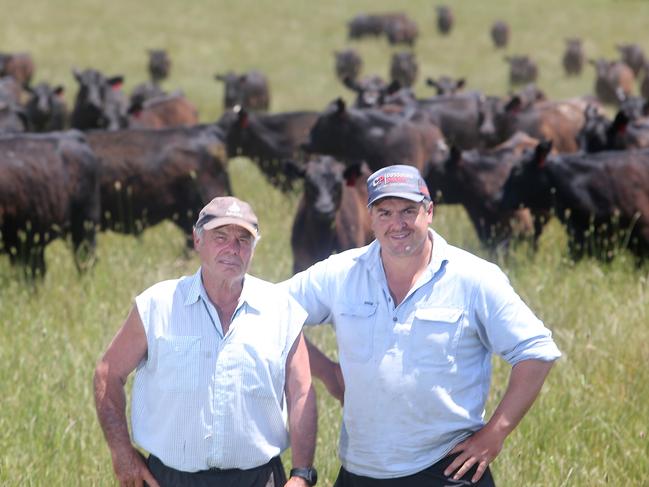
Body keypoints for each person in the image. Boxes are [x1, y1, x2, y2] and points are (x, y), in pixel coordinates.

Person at [283, 165, 561, 486]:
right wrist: (327, 372)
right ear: (370, 217)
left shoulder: (474, 278)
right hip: (361, 470)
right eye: (384, 212)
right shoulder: (340, 273)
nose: (397, 224)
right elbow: (271, 313)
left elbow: (536, 351)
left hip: (446, 468)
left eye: (408, 211)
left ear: (430, 212)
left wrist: (494, 435)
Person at [94, 196, 318, 487]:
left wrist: (301, 475)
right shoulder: (157, 305)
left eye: (243, 240)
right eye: (220, 237)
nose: (232, 249)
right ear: (197, 241)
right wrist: (122, 454)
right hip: (170, 479)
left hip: (258, 479)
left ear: (254, 248)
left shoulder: (281, 308)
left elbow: (301, 392)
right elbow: (107, 374)